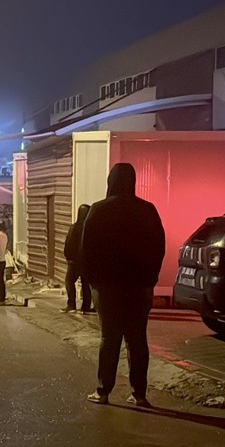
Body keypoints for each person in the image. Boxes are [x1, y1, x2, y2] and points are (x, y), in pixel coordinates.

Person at [81, 163, 165, 408]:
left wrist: (92, 280)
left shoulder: (98, 210)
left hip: (107, 286)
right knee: (137, 339)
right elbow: (159, 246)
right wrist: (151, 278)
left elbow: (87, 249)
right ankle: (139, 393)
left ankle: (103, 391)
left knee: (110, 337)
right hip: (140, 285)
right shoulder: (147, 210)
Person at [62, 204, 93, 314]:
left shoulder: (74, 227)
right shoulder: (90, 229)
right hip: (86, 261)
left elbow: (68, 243)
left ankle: (71, 305)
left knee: (69, 281)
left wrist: (68, 257)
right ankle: (86, 306)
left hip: (74, 261)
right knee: (86, 284)